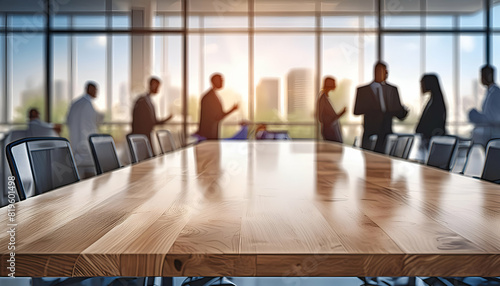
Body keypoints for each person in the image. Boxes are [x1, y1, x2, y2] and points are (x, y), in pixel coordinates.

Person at [354, 61, 409, 153]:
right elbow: (356, 111)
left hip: (387, 135)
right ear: (375, 71)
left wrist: (403, 111)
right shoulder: (362, 90)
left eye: (386, 71)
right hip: (369, 134)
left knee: (387, 165)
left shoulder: (393, 89)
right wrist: (375, 109)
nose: (386, 74)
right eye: (383, 71)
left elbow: (398, 113)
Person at [66, 82, 104, 179]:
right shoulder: (88, 104)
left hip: (76, 142)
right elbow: (96, 120)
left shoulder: (75, 103)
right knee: (91, 172)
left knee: (78, 173)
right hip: (85, 142)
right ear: (89, 89)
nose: (97, 93)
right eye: (95, 90)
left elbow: (68, 120)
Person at [131, 77, 173, 148]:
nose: (158, 89)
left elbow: (152, 121)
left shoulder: (147, 101)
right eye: (157, 86)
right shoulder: (144, 101)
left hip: (145, 136)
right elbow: (151, 122)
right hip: (142, 138)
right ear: (153, 85)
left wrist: (167, 119)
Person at [196, 73, 238, 140]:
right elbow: (218, 117)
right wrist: (232, 110)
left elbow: (218, 116)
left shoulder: (211, 96)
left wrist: (232, 109)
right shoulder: (209, 97)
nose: (222, 82)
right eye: (220, 80)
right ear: (214, 81)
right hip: (209, 136)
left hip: (210, 135)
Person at [469, 65, 500, 147]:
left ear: (489, 76)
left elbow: (494, 118)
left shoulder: (495, 93)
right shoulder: (491, 92)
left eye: (482, 75)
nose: (481, 79)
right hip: (489, 137)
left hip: (493, 139)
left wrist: (475, 116)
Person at [416, 74, 447, 148]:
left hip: (431, 143)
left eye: (422, 84)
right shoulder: (432, 100)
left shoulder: (436, 102)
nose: (421, 87)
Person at [317, 77, 346, 143]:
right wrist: (341, 113)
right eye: (334, 83)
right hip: (329, 131)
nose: (335, 85)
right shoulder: (323, 98)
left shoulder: (326, 98)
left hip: (331, 130)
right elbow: (321, 118)